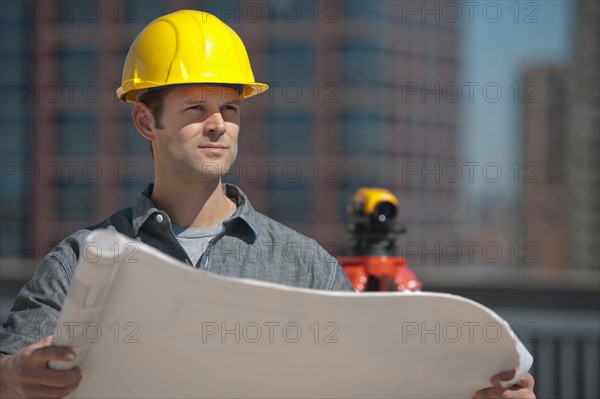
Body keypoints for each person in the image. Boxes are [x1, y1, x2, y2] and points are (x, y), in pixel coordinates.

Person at [0, 10, 535, 399]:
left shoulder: (304, 265)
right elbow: (10, 368)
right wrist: (13, 377)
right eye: (195, 107)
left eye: (229, 108)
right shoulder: (80, 261)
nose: (218, 124)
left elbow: (376, 382)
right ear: (146, 122)